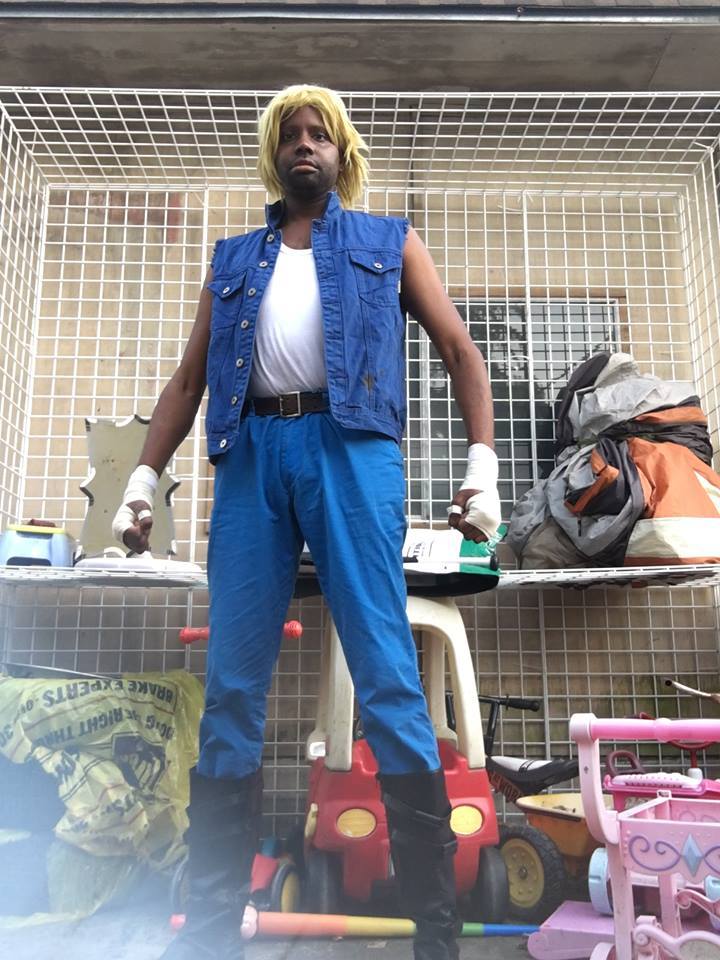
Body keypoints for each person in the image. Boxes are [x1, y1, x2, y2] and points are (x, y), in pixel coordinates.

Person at [113, 85, 501, 960]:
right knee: (232, 684)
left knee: (387, 673)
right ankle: (210, 933)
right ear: (274, 155)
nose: (304, 144)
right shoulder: (233, 260)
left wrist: (482, 468)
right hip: (251, 455)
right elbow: (188, 382)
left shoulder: (388, 241)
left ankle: (436, 938)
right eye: (289, 134)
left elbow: (459, 349)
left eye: (319, 134)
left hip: (350, 449)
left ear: (342, 153)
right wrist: (142, 480)